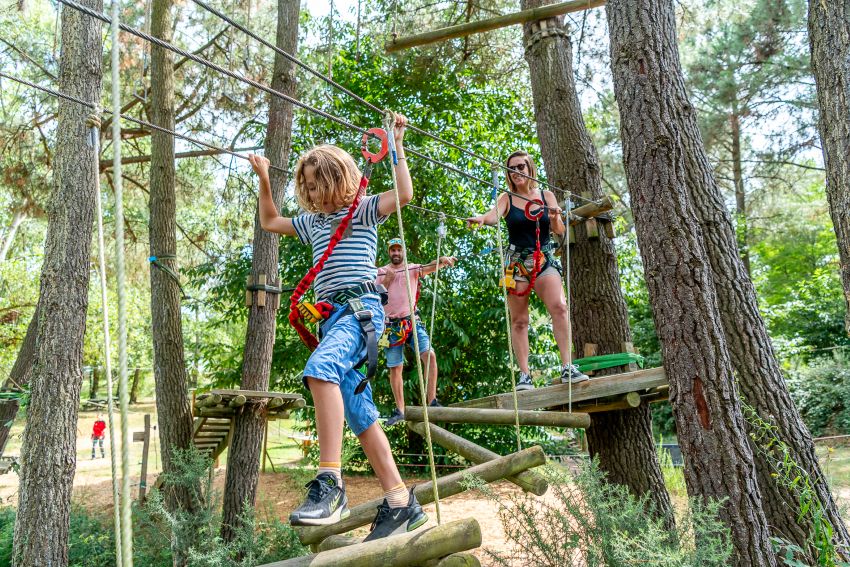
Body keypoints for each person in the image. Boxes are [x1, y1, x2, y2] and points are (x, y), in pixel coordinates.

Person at [250, 113, 427, 541]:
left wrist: (397, 146)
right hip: (332, 319)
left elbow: (404, 193)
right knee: (360, 413)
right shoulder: (312, 223)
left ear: (336, 178)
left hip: (360, 310)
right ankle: (401, 501)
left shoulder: (364, 210)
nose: (310, 192)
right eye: (306, 186)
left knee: (319, 371)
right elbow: (271, 221)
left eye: (315, 183)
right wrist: (264, 181)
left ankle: (330, 482)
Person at [466, 150, 588, 391]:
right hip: (516, 263)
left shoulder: (546, 195)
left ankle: (567, 367)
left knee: (560, 307)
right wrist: (481, 218)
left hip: (543, 260)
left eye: (521, 167)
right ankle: (524, 375)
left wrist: (554, 218)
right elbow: (493, 216)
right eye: (512, 168)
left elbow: (560, 230)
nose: (516, 171)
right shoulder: (507, 198)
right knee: (519, 320)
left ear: (530, 168)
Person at [376, 238, 457, 426]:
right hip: (390, 326)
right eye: (393, 250)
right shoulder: (381, 272)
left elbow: (430, 267)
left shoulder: (412, 268)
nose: (396, 253)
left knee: (430, 355)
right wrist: (386, 281)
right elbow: (374, 299)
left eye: (399, 250)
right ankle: (400, 410)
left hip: (412, 321)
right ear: (389, 252)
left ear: (403, 251)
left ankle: (432, 401)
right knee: (395, 367)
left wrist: (442, 260)